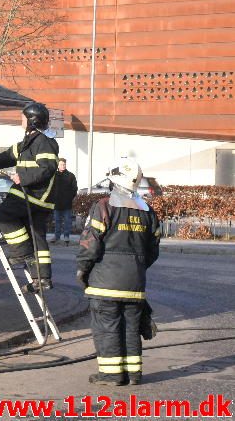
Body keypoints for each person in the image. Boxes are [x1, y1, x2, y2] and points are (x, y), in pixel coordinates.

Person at [76, 157, 161, 386]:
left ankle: (111, 375)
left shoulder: (104, 207)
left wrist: (83, 269)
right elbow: (153, 250)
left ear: (114, 181)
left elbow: (89, 244)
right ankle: (134, 374)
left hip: (105, 283)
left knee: (107, 328)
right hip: (135, 286)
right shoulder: (147, 211)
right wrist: (137, 267)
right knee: (132, 329)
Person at [0, 102, 59, 292]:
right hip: (37, 196)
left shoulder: (43, 142)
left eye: (23, 118)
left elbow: (47, 168)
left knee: (4, 215)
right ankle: (43, 279)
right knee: (37, 236)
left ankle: (22, 253)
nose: (20, 120)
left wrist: (23, 178)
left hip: (34, 194)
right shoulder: (30, 140)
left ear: (32, 121)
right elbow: (9, 155)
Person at [51, 158, 77, 245]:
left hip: (67, 204)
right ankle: (56, 236)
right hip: (56, 203)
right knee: (57, 221)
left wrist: (69, 198)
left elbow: (74, 189)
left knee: (67, 221)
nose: (63, 166)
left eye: (64, 164)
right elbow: (50, 188)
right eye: (61, 164)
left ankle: (66, 237)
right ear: (58, 165)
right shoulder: (54, 176)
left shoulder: (71, 176)